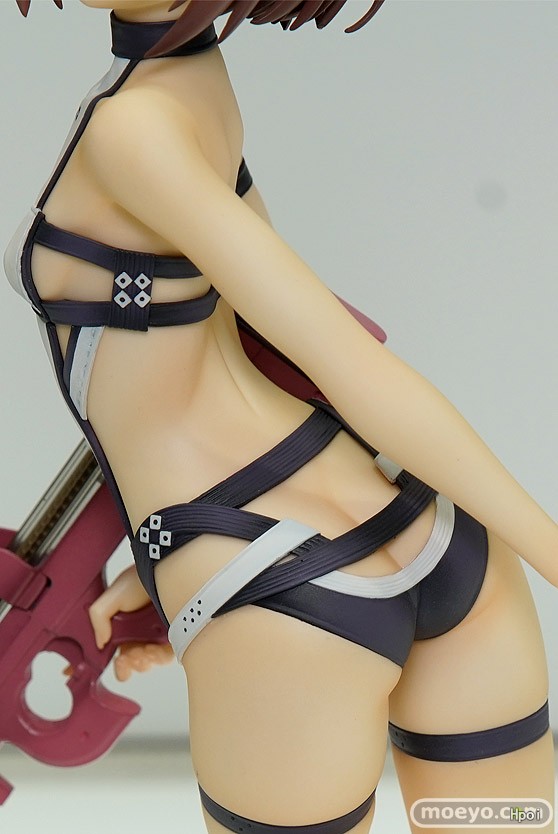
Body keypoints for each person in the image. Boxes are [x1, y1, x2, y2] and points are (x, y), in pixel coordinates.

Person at [4, 1, 555, 831]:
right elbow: (245, 346)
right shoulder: (195, 75)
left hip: (271, 585)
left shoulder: (132, 126)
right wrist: (153, 566)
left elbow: (349, 363)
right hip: (435, 538)